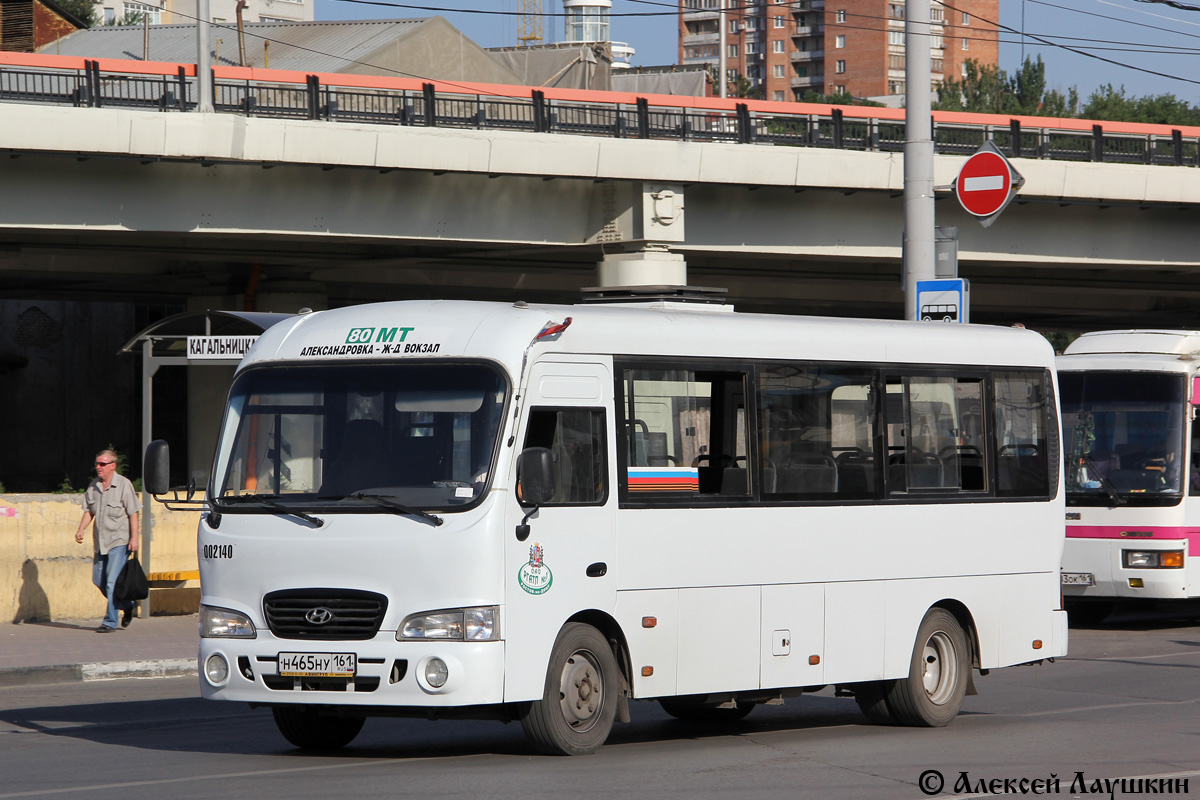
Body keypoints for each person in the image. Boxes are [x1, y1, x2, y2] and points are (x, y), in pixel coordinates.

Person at [73, 449, 140, 633]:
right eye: (97, 464)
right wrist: (81, 529)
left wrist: (134, 538)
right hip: (100, 541)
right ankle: (127, 604)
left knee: (112, 582)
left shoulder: (124, 485)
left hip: (119, 540)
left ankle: (109, 621)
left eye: (102, 464)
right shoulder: (94, 486)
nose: (98, 467)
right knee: (99, 580)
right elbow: (89, 511)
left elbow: (133, 513)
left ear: (113, 466)